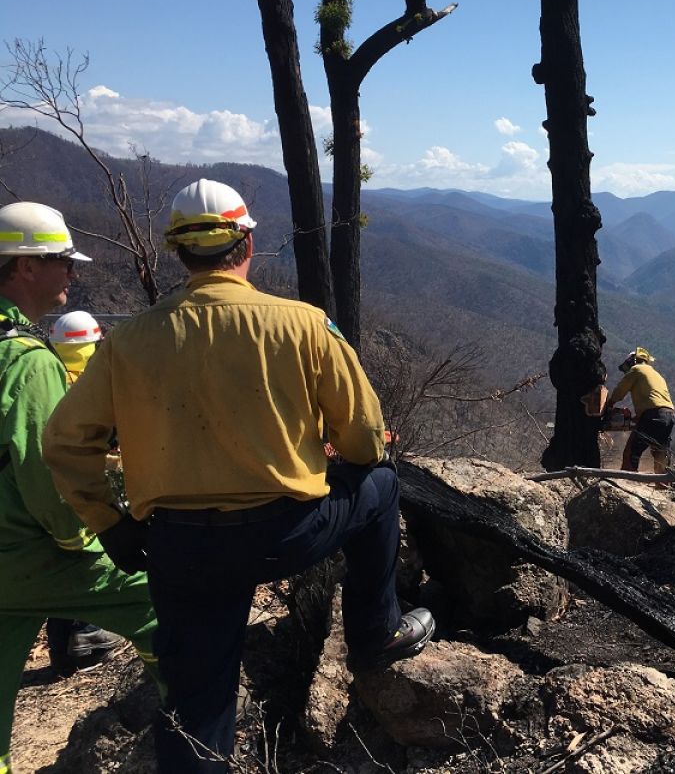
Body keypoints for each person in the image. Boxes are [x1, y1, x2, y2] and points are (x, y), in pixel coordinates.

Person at [45, 179, 435, 773]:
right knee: (380, 487)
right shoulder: (302, 324)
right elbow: (362, 436)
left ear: (178, 251)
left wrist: (110, 523)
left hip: (179, 546)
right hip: (286, 535)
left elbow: (65, 442)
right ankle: (376, 632)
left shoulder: (129, 339)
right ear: (246, 243)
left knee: (198, 706)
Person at [0, 202, 158, 774]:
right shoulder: (25, 361)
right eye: (62, 262)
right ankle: (192, 735)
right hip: (28, 554)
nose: (73, 273)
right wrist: (87, 538)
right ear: (23, 268)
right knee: (162, 599)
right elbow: (48, 476)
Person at [45, 309, 125, 677]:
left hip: (44, 488)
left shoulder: (47, 373)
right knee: (91, 555)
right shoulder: (95, 378)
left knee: (60, 564)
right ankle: (88, 629)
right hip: (87, 481)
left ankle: (63, 653)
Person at [603, 348, 675, 474]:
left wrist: (609, 404)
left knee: (631, 452)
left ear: (633, 361)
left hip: (653, 414)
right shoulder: (656, 375)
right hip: (669, 415)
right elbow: (655, 400)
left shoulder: (636, 369)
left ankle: (628, 479)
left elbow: (620, 391)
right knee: (660, 452)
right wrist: (640, 417)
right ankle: (663, 483)